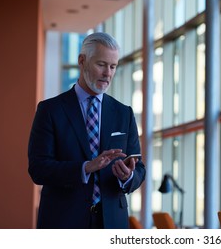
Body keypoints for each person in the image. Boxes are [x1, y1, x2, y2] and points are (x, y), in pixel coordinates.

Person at [28, 32, 146, 229]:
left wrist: (128, 177)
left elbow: (140, 168)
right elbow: (38, 168)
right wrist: (86, 167)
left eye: (113, 66)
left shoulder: (124, 113)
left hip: (112, 224)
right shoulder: (50, 110)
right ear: (82, 61)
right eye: (101, 64)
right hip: (62, 222)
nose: (108, 73)